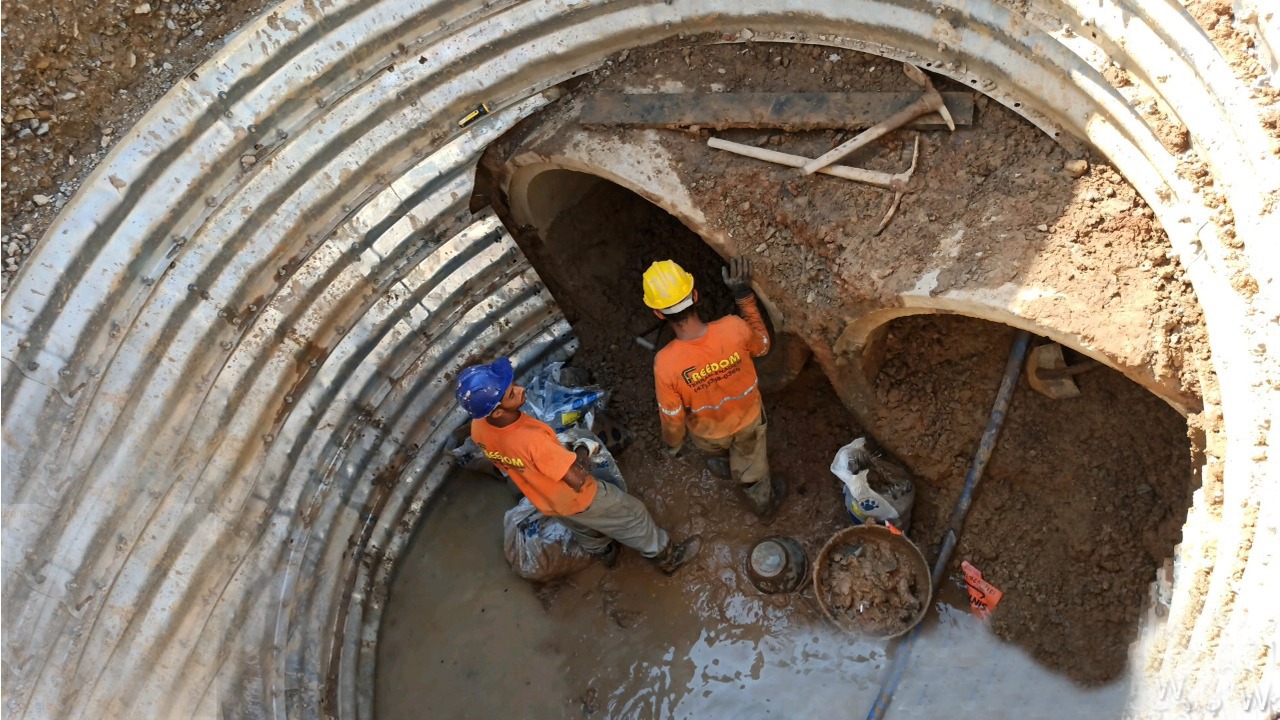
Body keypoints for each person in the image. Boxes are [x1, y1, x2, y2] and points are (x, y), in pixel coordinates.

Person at [456, 358, 701, 575]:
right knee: (633, 515)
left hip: (545, 500)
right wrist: (583, 449)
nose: (521, 390)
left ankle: (606, 554)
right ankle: (667, 558)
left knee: (582, 528)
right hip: (579, 497)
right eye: (511, 394)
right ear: (497, 412)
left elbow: (506, 462)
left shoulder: (479, 428)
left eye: (514, 386)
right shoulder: (531, 439)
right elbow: (577, 480)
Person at [645, 257, 788, 523]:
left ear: (659, 313)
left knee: (716, 454)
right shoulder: (734, 328)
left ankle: (722, 466)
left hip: (707, 433)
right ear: (695, 295)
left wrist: (673, 446)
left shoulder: (665, 364)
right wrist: (743, 296)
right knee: (751, 469)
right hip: (747, 422)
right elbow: (764, 345)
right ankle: (764, 506)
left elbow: (672, 417)